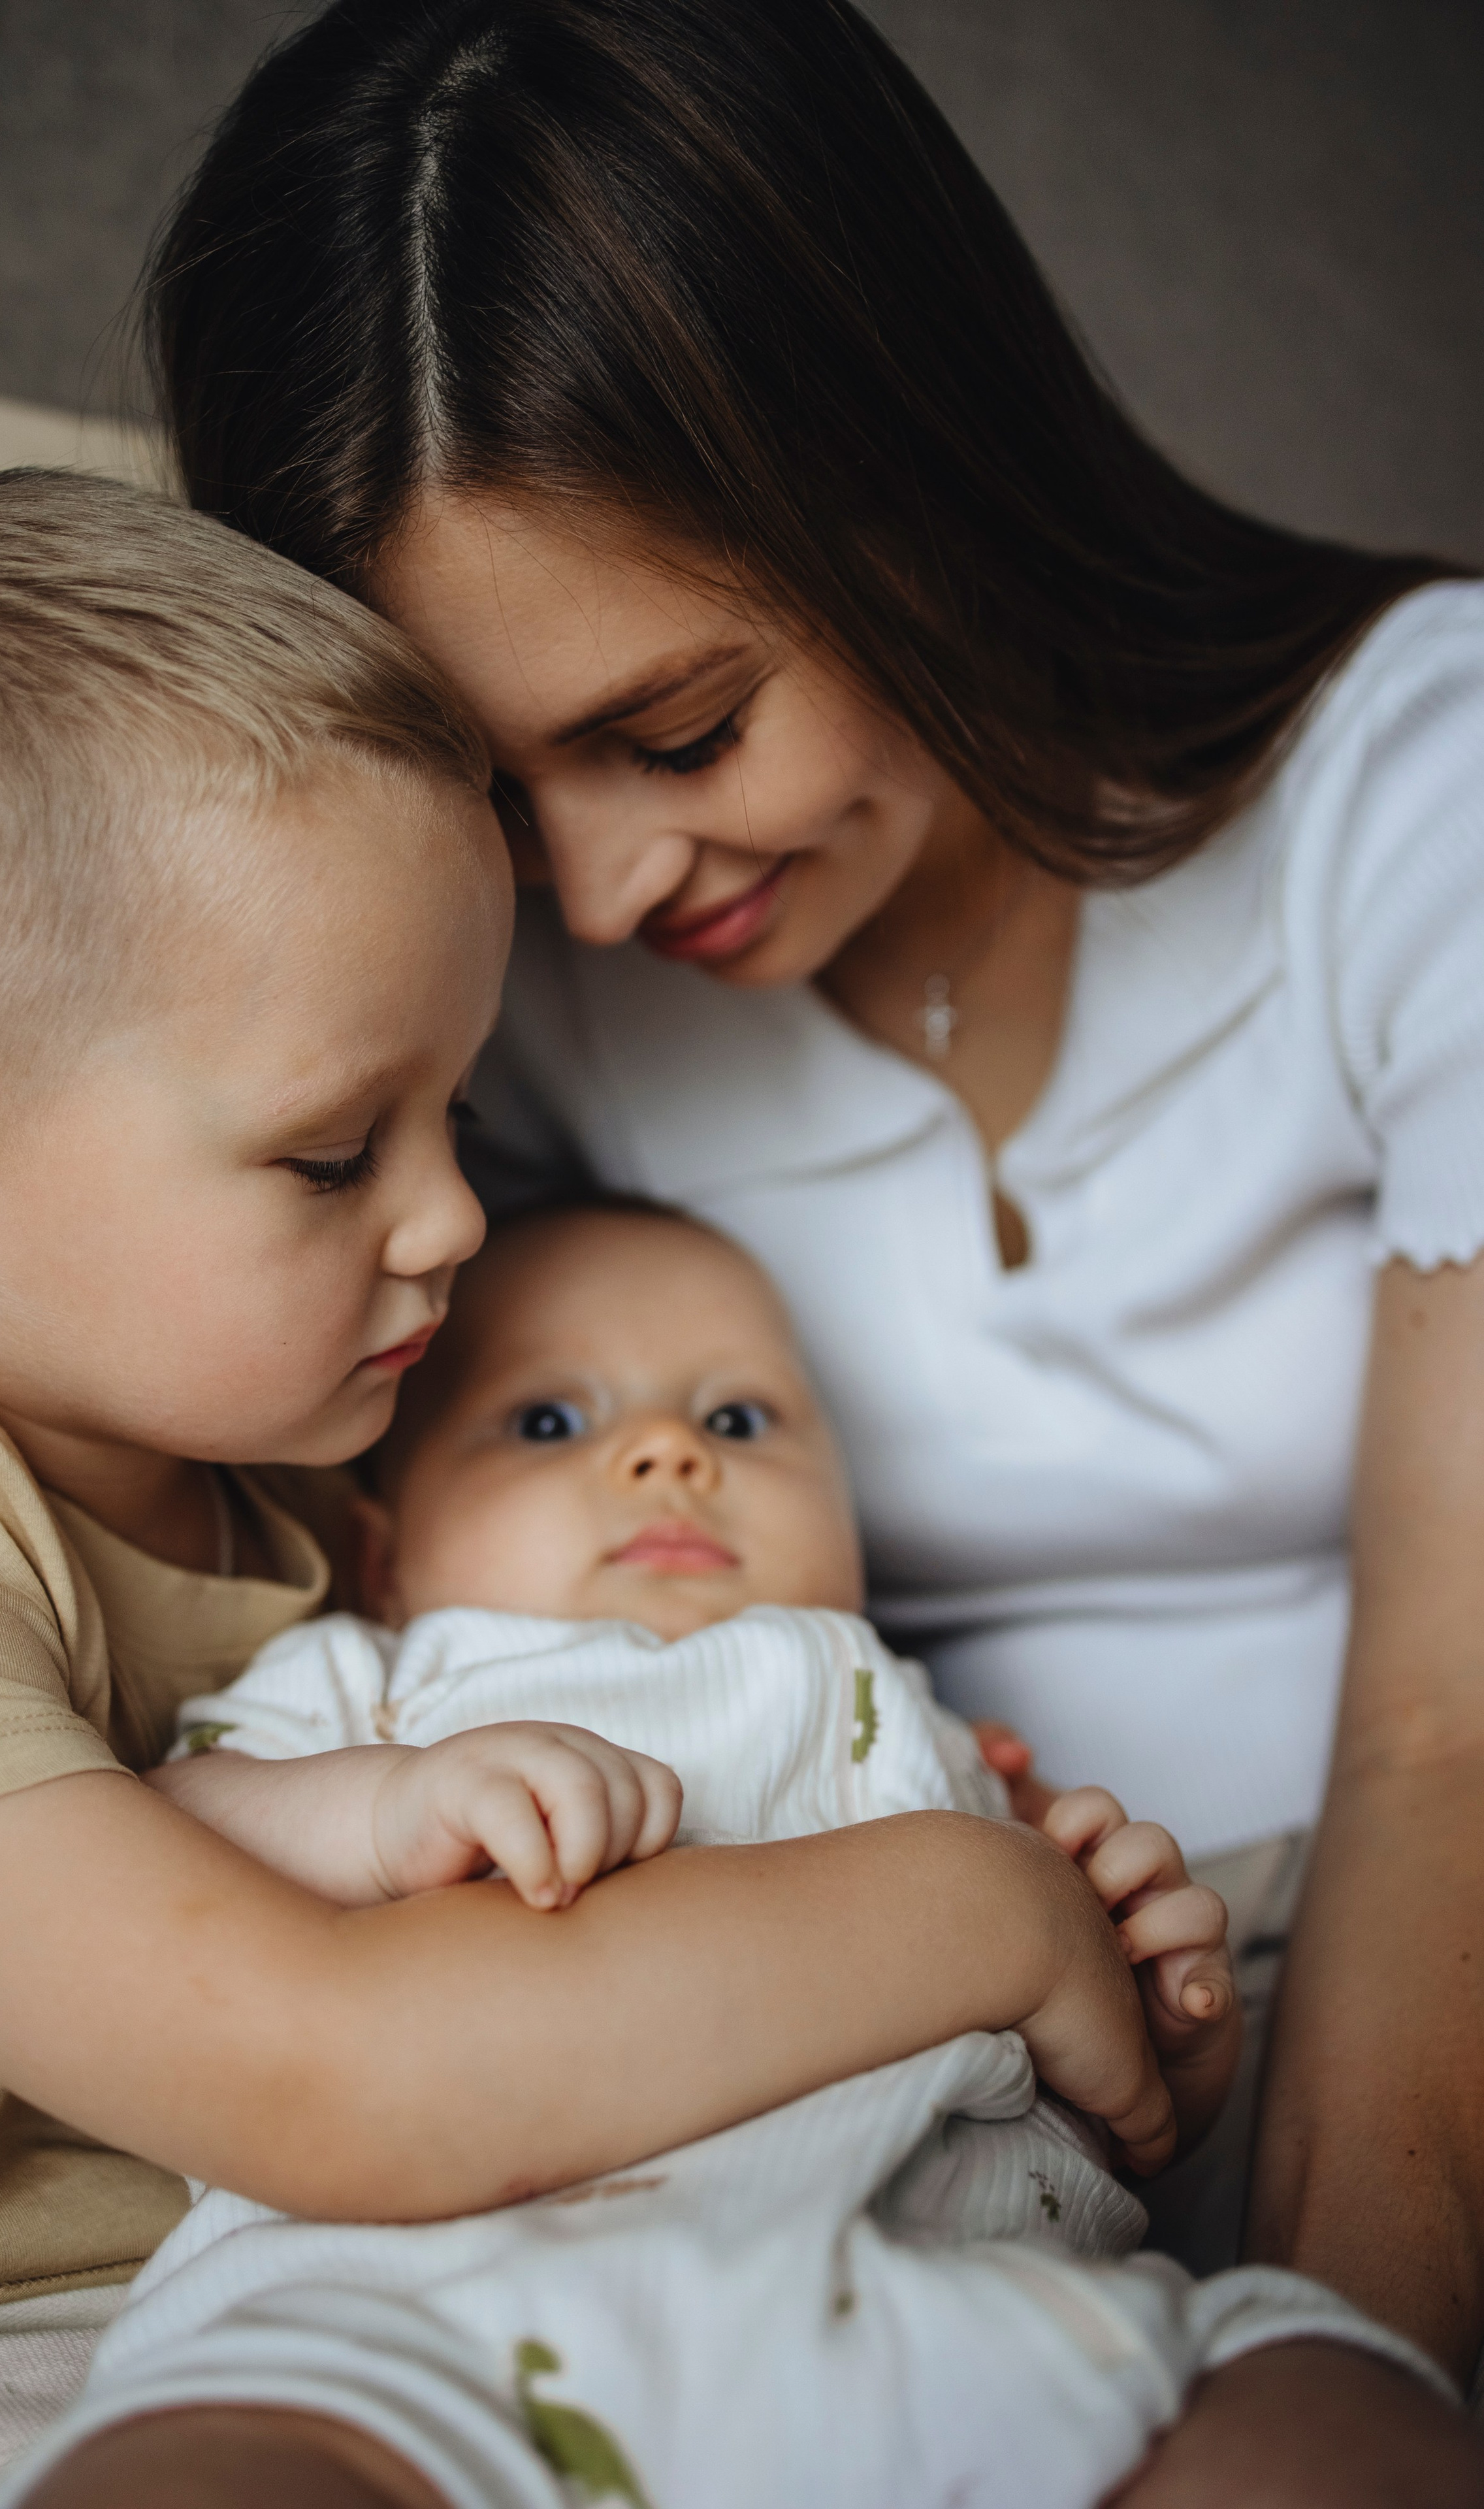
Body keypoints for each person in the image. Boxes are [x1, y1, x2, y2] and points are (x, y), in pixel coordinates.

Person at [144, 0, 1484, 2476]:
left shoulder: (1425, 800)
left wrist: (1331, 2354)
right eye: (497, 789)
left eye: (677, 731)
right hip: (789, 2008)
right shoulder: (496, 998)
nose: (602, 893)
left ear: (910, 465)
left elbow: (1450, 1735)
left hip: (1337, 1972)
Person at [0, 469, 1213, 2509]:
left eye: (455, 1117)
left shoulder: (284, 1433)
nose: (457, 1222)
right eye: (332, 1154)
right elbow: (337, 2079)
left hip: (419, 2253)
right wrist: (977, 1913)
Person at [0, 1200, 1445, 2509]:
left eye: (739, 1421)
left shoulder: (918, 1723)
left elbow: (1094, 2083)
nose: (667, 1452)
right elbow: (165, 1848)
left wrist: (1165, 2035)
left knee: (1327, 2428)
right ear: (387, 1559)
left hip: (947, 2305)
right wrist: (379, 1807)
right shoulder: (379, 1689)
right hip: (407, 2327)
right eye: (547, 1421)